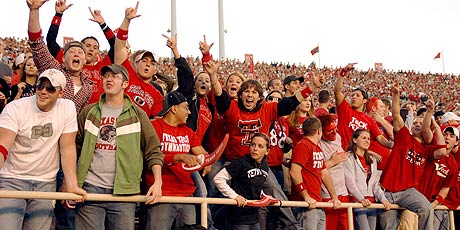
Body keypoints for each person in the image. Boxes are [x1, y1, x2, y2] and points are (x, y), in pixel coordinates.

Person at [75, 64, 163, 229]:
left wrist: (158, 182)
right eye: (106, 76)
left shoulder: (138, 114)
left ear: (125, 84)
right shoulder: (88, 112)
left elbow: (153, 150)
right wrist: (72, 181)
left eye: (114, 76)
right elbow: (74, 148)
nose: (109, 79)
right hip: (90, 188)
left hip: (125, 191)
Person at [0, 68, 87, 230]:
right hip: (12, 178)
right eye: (40, 86)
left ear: (60, 93)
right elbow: (2, 145)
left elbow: (67, 148)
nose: (43, 91)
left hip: (45, 181)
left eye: (50, 88)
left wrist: (72, 184)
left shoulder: (67, 108)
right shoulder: (17, 108)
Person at [379, 81, 447, 230]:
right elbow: (396, 115)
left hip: (407, 192)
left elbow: (442, 151)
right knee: (388, 227)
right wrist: (395, 96)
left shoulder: (427, 150)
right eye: (415, 122)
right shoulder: (404, 136)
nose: (416, 124)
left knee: (427, 208)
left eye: (420, 123)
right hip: (387, 191)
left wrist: (431, 116)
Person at [145, 91, 209, 229]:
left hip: (187, 196)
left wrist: (206, 161)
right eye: (186, 107)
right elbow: (148, 157)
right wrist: (179, 157)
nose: (189, 112)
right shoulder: (154, 127)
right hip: (161, 196)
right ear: (174, 108)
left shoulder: (188, 132)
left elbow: (202, 155)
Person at [27, 0, 92, 114]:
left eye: (80, 52)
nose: (76, 54)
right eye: (71, 51)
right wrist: (34, 11)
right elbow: (36, 43)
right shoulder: (53, 69)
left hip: (68, 131)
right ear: (63, 58)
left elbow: (79, 115)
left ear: (85, 60)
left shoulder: (88, 87)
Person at [46, 0, 115, 104]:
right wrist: (58, 14)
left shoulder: (101, 67)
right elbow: (51, 41)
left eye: (95, 47)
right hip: (68, 111)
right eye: (87, 46)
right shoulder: (68, 62)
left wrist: (103, 24)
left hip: (93, 115)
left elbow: (116, 45)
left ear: (97, 53)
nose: (91, 49)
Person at [289, 117, 341, 229]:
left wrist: (334, 196)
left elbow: (324, 173)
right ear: (319, 131)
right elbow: (294, 172)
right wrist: (306, 196)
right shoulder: (303, 145)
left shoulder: (317, 148)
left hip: (317, 203)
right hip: (305, 205)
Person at [114, 2, 164, 118]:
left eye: (152, 63)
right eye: (144, 60)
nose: (147, 65)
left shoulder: (157, 95)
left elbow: (157, 120)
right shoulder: (128, 73)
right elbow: (120, 47)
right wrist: (127, 21)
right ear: (136, 64)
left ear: (155, 70)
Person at [214, 133, 271, 230]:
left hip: (255, 217)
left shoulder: (265, 166)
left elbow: (256, 187)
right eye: (253, 145)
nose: (255, 148)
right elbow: (218, 178)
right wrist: (234, 196)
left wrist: (264, 196)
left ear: (267, 151)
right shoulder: (241, 162)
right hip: (239, 218)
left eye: (260, 146)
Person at [334, 64, 393, 158]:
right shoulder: (345, 110)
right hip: (343, 155)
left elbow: (380, 137)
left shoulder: (369, 120)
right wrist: (343, 72)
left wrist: (391, 145)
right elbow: (337, 91)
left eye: (357, 95)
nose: (353, 97)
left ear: (364, 100)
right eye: (352, 95)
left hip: (360, 159)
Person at [343, 129, 391, 230]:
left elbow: (376, 185)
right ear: (355, 140)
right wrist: (361, 199)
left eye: (368, 139)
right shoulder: (348, 157)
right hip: (358, 202)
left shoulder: (372, 160)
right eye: (364, 138)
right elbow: (350, 182)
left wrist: (384, 200)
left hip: (372, 203)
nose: (367, 141)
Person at [317, 114, 350, 230]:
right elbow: (314, 169)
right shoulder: (317, 143)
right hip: (328, 193)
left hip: (343, 192)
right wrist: (332, 162)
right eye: (330, 131)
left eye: (335, 129)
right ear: (320, 131)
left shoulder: (338, 137)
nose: (334, 133)